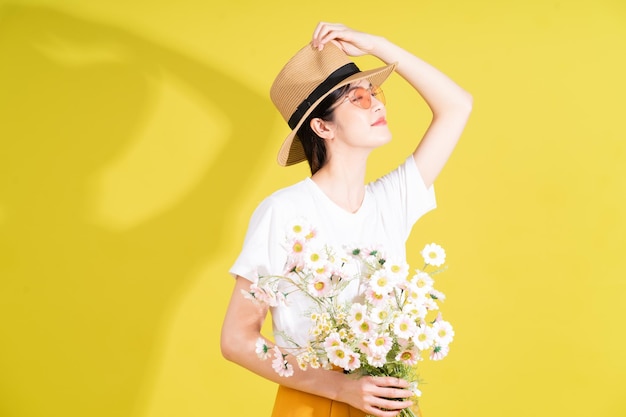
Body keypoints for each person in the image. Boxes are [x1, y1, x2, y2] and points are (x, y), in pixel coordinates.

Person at [221, 22, 472, 417]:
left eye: (375, 92)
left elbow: (457, 105)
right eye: (357, 98)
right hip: (315, 402)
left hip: (388, 400)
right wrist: (340, 387)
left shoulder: (393, 200)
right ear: (322, 127)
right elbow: (236, 338)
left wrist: (379, 45)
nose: (376, 104)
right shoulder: (284, 212)